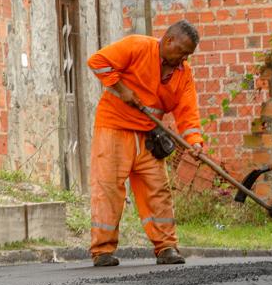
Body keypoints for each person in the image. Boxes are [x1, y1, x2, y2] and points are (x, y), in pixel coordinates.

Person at [86, 22, 204, 268]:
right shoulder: (137, 46)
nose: (184, 58)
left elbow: (188, 112)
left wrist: (194, 142)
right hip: (114, 127)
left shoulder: (183, 73)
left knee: (158, 190)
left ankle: (166, 247)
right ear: (168, 40)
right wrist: (122, 89)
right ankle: (103, 250)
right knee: (108, 189)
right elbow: (97, 61)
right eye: (182, 51)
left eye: (188, 55)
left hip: (148, 135)